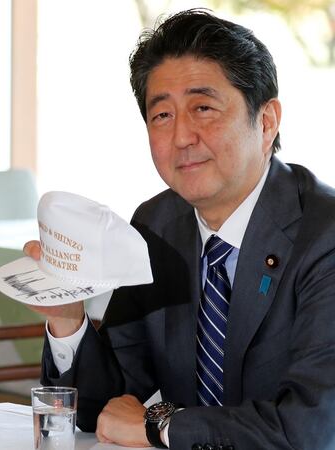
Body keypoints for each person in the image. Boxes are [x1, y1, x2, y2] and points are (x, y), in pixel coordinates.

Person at [25, 9, 335, 449]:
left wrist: (160, 423)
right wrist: (67, 317)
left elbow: (311, 430)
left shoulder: (324, 235)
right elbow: (107, 408)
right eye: (162, 116)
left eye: (203, 108)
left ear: (266, 122)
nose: (182, 136)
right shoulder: (157, 225)